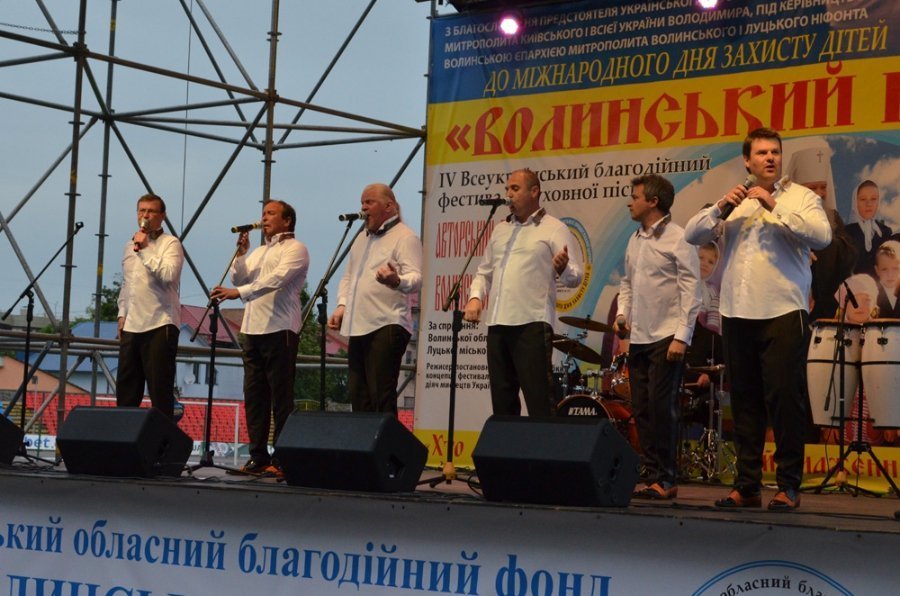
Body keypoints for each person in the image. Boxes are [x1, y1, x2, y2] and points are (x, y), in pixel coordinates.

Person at [684, 127, 832, 511]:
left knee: (784, 400)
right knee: (745, 402)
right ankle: (747, 485)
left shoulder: (800, 197)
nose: (770, 158)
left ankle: (788, 485)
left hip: (783, 311)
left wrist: (773, 205)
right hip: (737, 312)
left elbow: (822, 237)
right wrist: (721, 205)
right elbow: (691, 234)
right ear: (747, 161)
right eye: (762, 153)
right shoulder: (734, 204)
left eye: (775, 152)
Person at [463, 168, 583, 416]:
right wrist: (475, 298)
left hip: (531, 324)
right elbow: (484, 272)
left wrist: (563, 268)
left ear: (534, 191)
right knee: (502, 404)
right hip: (497, 324)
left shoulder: (554, 228)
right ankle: (508, 443)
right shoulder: (501, 230)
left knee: (539, 401)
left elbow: (575, 277)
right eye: (507, 189)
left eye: (515, 189)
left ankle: (544, 443)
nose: (508, 194)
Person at [613, 174, 701, 500]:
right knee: (642, 408)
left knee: (661, 407)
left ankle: (666, 477)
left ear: (653, 201)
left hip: (666, 335)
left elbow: (692, 290)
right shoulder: (634, 239)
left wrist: (682, 336)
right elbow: (627, 283)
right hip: (639, 336)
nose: (629, 202)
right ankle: (652, 475)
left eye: (635, 196)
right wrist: (622, 314)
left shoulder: (679, 238)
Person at [211, 200, 309, 475]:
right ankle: (258, 456)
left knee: (280, 397)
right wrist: (241, 255)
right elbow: (239, 278)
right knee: (255, 396)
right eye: (263, 213)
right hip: (253, 329)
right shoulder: (260, 251)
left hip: (280, 328)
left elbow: (276, 280)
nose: (264, 218)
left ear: (287, 220)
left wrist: (239, 294)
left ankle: (282, 458)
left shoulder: (296, 249)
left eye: (271, 213)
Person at [327, 184, 422, 415]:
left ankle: (386, 440)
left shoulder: (405, 237)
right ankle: (364, 440)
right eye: (362, 202)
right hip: (358, 325)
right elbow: (349, 277)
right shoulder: (361, 238)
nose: (363, 207)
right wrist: (342, 305)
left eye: (369, 202)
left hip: (387, 323)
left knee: (381, 396)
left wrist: (396, 280)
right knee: (359, 396)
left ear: (389, 206)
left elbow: (416, 278)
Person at [116, 193, 184, 420]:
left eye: (151, 211)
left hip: (159, 323)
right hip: (132, 324)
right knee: (126, 390)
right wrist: (122, 314)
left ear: (162, 216)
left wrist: (145, 249)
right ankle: (125, 437)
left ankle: (161, 440)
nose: (145, 215)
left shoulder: (171, 243)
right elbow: (128, 283)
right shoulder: (129, 245)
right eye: (141, 210)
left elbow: (168, 275)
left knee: (159, 392)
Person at [785, 147, 857, 322]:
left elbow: (849, 255)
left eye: (823, 187)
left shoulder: (833, 217)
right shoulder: (785, 217)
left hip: (827, 310)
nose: (819, 194)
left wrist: (822, 244)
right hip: (793, 304)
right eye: (812, 188)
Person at [846, 180, 891, 276]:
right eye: (863, 199)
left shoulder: (886, 232)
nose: (868, 204)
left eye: (873, 199)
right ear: (855, 202)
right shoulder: (846, 233)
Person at [873, 240, 900, 319]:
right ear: (877, 270)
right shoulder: (872, 294)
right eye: (884, 269)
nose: (890, 275)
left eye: (895, 268)